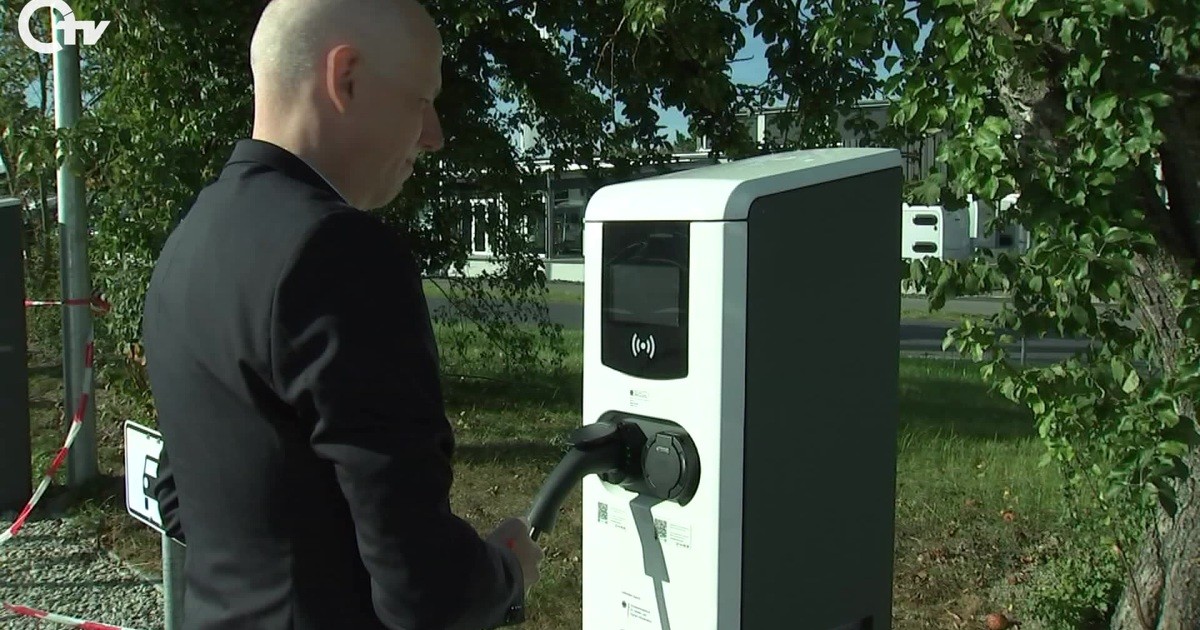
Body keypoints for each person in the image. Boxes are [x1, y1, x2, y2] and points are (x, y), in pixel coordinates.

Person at [140, 0, 543, 628]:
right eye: (421, 100)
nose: (433, 135)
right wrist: (505, 571)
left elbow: (181, 499)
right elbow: (423, 589)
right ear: (346, 76)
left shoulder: (190, 240)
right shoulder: (339, 251)